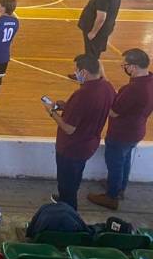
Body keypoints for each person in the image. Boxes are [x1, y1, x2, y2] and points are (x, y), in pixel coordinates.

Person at [45, 54, 115, 211]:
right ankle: (65, 198)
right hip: (88, 144)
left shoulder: (82, 95)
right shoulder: (107, 88)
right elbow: (93, 111)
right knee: (74, 178)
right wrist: (67, 107)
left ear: (84, 72)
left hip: (71, 148)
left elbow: (69, 128)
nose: (75, 73)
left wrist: (51, 112)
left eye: (76, 70)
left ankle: (67, 210)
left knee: (66, 182)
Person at [88, 48, 153, 209]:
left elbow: (113, 112)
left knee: (115, 163)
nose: (124, 68)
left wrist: (102, 97)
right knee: (124, 160)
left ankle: (111, 196)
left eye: (124, 65)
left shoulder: (133, 89)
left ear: (133, 67)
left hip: (121, 133)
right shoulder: (149, 81)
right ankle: (119, 187)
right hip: (137, 130)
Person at [73, 0, 121, 71]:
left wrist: (93, 32)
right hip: (104, 30)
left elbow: (101, 17)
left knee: (91, 57)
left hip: (96, 32)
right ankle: (87, 74)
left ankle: (87, 76)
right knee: (93, 55)